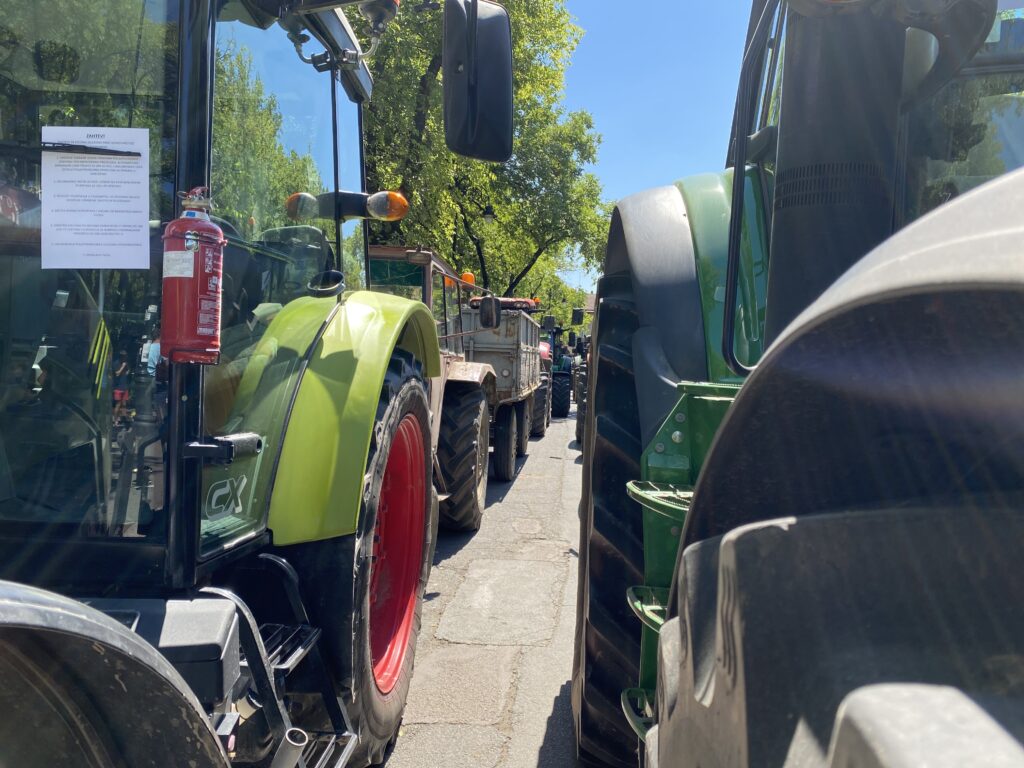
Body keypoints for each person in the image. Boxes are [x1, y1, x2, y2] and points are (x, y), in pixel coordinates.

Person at [113, 350, 130, 425]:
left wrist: (127, 372)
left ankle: (124, 419)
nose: (125, 358)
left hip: (124, 386)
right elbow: (117, 374)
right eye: (124, 356)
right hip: (118, 387)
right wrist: (122, 367)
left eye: (125, 356)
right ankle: (115, 419)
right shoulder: (116, 363)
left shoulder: (126, 363)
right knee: (118, 404)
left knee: (124, 404)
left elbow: (128, 370)